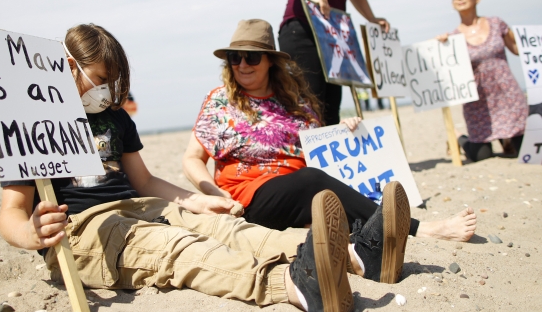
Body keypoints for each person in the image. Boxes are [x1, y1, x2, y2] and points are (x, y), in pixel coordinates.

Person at [0, 23, 412, 312]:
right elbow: (10, 215)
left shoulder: (115, 117)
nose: (106, 90)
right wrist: (32, 233)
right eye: (100, 78)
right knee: (182, 252)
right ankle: (291, 286)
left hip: (142, 206)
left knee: (229, 230)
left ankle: (359, 256)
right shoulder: (35, 122)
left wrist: (197, 201)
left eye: (113, 81)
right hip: (85, 230)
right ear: (69, 67)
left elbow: (143, 180)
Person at [183, 19, 477, 244]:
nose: (242, 65)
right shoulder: (221, 100)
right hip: (247, 197)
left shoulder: (295, 101)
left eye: (252, 57)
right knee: (312, 183)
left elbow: (320, 148)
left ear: (270, 60)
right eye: (235, 57)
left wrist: (344, 132)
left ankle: (348, 234)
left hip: (299, 192)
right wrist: (213, 193)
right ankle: (418, 229)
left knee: (321, 197)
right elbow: (192, 159)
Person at [437, 0, 528, 162]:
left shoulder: (496, 23)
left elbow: (519, 49)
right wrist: (440, 47)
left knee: (523, 152)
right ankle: (458, 137)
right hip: (479, 103)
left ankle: (507, 138)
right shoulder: (453, 38)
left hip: (507, 95)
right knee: (481, 156)